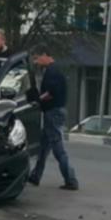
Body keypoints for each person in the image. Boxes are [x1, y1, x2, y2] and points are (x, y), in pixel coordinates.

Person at [27, 44, 79, 191]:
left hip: (53, 113)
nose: (36, 62)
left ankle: (71, 179)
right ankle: (35, 176)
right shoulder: (52, 71)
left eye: (37, 59)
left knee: (58, 148)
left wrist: (37, 101)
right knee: (43, 147)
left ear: (44, 55)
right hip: (54, 112)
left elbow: (50, 93)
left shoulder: (52, 72)